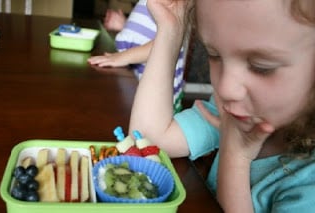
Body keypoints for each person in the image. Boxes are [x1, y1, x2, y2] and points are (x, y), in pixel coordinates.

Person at [129, 0, 315, 212]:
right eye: (214, 54)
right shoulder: (236, 112)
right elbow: (146, 139)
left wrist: (235, 155)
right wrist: (171, 30)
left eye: (260, 67)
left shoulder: (309, 182)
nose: (225, 88)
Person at [88, 0, 187, 113]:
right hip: (140, 85)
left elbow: (167, 42)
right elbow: (151, 31)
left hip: (158, 102)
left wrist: (122, 57)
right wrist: (125, 26)